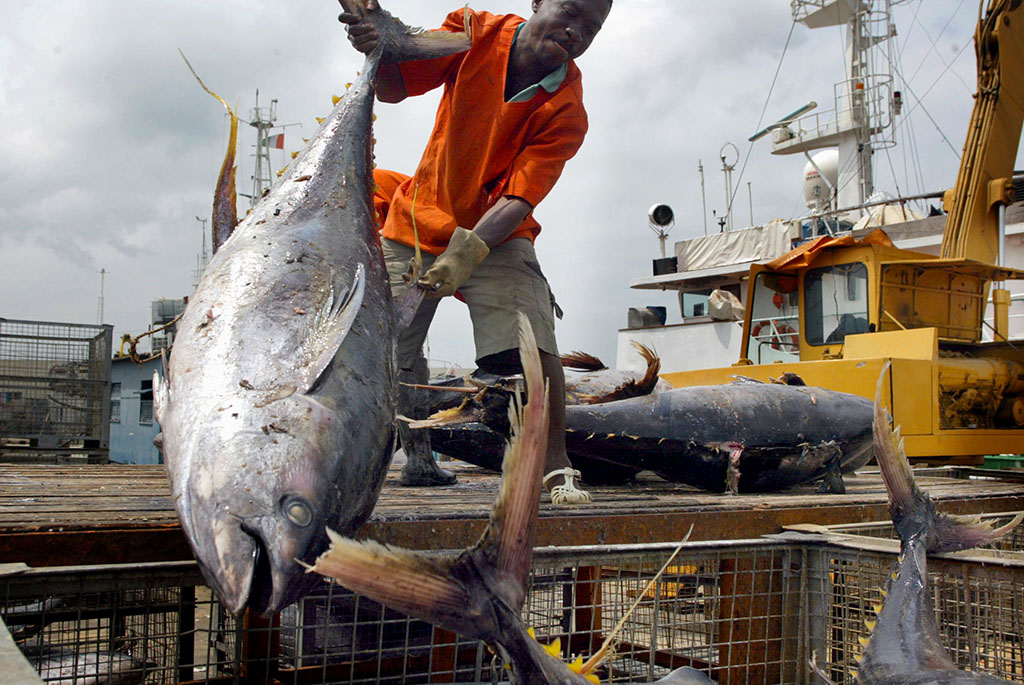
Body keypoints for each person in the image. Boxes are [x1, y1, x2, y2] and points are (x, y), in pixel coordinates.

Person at [339, 0, 611, 503]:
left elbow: (519, 196)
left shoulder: (567, 110)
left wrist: (467, 253)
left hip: (499, 233)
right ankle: (417, 459)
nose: (577, 31)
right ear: (536, 2)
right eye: (570, 11)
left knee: (530, 334)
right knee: (387, 345)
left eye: (592, 28)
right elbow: (395, 83)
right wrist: (379, 45)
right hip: (417, 219)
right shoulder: (471, 30)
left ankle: (554, 466)